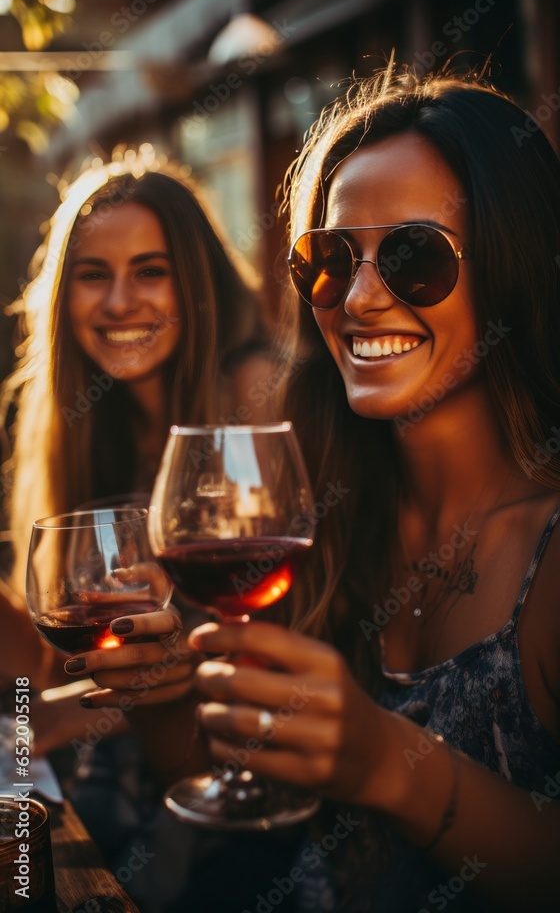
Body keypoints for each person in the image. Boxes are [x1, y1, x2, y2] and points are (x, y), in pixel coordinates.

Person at [67, 69, 560, 911]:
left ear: (513, 264)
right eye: (331, 259)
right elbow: (234, 782)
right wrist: (160, 698)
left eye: (412, 256)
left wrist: (382, 763)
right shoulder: (323, 507)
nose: (361, 299)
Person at [0, 150, 276, 909]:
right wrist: (41, 719)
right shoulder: (87, 427)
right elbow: (53, 672)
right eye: (94, 274)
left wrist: (56, 718)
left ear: (198, 283)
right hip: (124, 780)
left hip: (232, 811)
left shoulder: (252, 393)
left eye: (151, 270)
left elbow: (256, 654)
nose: (119, 301)